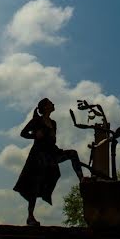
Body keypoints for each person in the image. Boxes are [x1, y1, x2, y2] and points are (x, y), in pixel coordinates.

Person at [13, 97, 85, 226]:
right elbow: (23, 133)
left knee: (72, 153)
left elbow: (52, 141)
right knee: (35, 185)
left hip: (52, 153)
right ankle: (30, 217)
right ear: (45, 107)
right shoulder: (36, 121)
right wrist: (35, 135)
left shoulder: (54, 123)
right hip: (39, 156)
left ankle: (82, 180)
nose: (53, 104)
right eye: (51, 103)